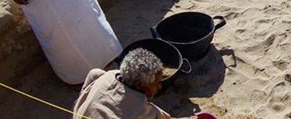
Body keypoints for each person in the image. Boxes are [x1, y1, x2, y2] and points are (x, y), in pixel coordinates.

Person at [73, 48, 211, 119]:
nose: (160, 86)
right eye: (156, 83)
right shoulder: (141, 109)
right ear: (140, 85)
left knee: (96, 73)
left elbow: (92, 74)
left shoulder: (109, 75)